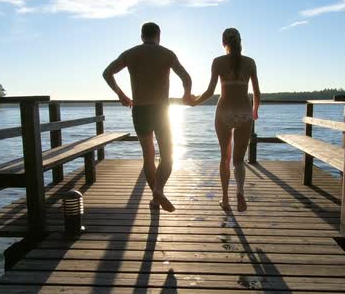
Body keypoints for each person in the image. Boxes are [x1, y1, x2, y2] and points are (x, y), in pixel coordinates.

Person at [102, 22, 193, 212]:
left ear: (142, 36)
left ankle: (155, 198)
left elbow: (107, 73)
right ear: (158, 35)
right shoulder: (167, 54)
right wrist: (186, 95)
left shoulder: (131, 53)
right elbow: (186, 77)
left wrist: (121, 94)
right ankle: (158, 191)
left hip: (140, 110)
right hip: (161, 110)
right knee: (167, 156)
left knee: (148, 155)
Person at [191, 28, 260, 212]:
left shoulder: (218, 62)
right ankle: (240, 192)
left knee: (224, 158)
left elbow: (210, 92)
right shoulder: (250, 62)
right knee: (238, 161)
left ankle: (225, 200)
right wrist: (255, 110)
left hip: (224, 111)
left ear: (223, 43)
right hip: (245, 111)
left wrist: (194, 102)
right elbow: (257, 93)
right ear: (240, 41)